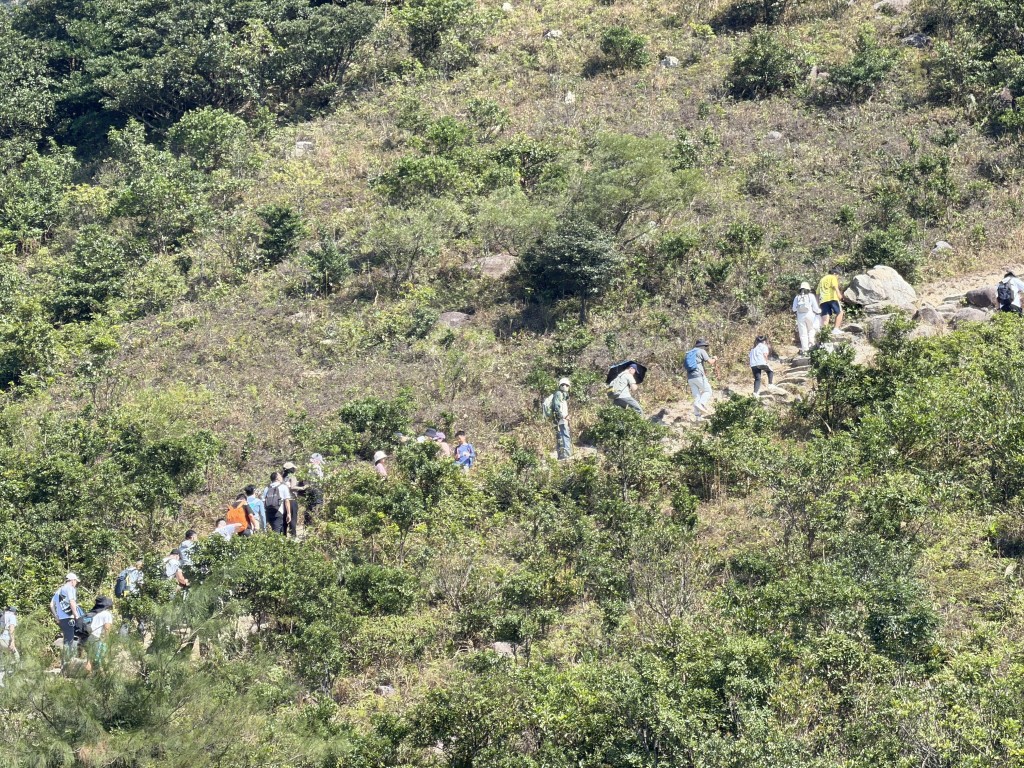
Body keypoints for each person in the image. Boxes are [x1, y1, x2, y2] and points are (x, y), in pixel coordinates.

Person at [50, 572, 81, 659]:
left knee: (66, 640)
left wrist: (56, 617)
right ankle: (67, 663)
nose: (76, 584)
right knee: (69, 641)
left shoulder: (58, 591)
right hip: (69, 618)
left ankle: (66, 662)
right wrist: (76, 615)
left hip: (62, 620)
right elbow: (72, 601)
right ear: (72, 580)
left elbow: (51, 604)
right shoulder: (70, 588)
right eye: (76, 581)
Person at [685, 339, 716, 422]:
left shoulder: (689, 353)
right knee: (708, 391)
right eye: (705, 346)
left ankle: (698, 418)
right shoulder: (701, 351)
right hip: (698, 375)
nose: (705, 348)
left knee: (697, 396)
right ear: (702, 346)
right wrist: (715, 358)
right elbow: (711, 362)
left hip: (690, 377)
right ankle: (701, 403)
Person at [792, 282, 822, 354]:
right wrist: (820, 311)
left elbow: (794, 309)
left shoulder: (797, 297)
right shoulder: (810, 296)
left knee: (803, 333)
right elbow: (815, 308)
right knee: (811, 329)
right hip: (810, 315)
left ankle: (805, 349)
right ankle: (811, 343)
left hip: (800, 317)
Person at [86, 596, 114, 668]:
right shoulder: (106, 614)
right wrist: (107, 641)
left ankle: (85, 676)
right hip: (96, 637)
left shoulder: (92, 612)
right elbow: (107, 629)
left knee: (89, 659)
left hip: (87, 636)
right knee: (97, 660)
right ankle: (96, 676)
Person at [282, 462, 305, 538]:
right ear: (292, 469)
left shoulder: (283, 477)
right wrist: (302, 488)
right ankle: (293, 537)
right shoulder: (292, 476)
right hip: (291, 500)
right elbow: (292, 487)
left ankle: (283, 536)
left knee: (284, 520)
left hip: (283, 501)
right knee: (292, 520)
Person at [551, 378, 572, 461]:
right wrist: (563, 416)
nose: (564, 386)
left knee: (560, 437)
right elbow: (556, 407)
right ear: (559, 386)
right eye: (562, 384)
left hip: (561, 420)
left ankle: (561, 455)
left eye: (566, 385)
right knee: (565, 436)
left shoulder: (563, 395)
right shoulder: (559, 394)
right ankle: (566, 455)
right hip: (561, 420)